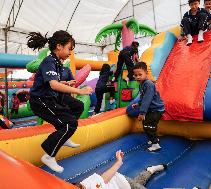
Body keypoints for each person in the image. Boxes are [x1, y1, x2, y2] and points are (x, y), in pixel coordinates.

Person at [27, 30, 93, 173]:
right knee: (70, 124)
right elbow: (53, 85)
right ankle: (49, 155)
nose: (70, 52)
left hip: (50, 97)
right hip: (40, 101)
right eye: (69, 48)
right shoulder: (49, 61)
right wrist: (79, 91)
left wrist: (67, 82)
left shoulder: (56, 62)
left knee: (78, 106)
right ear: (59, 46)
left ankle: (64, 135)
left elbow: (54, 81)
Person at [74, 150, 166, 189]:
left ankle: (150, 170)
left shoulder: (88, 183)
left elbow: (105, 177)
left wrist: (119, 161)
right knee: (139, 181)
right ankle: (150, 170)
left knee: (136, 186)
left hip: (121, 182)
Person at [131, 62, 165, 152]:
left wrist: (142, 113)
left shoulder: (148, 84)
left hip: (156, 110)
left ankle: (155, 144)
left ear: (146, 73)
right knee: (148, 125)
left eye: (140, 74)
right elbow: (143, 97)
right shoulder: (142, 84)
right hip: (152, 109)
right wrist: (138, 104)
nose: (137, 77)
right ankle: (155, 139)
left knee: (148, 126)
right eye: (135, 75)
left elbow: (147, 99)